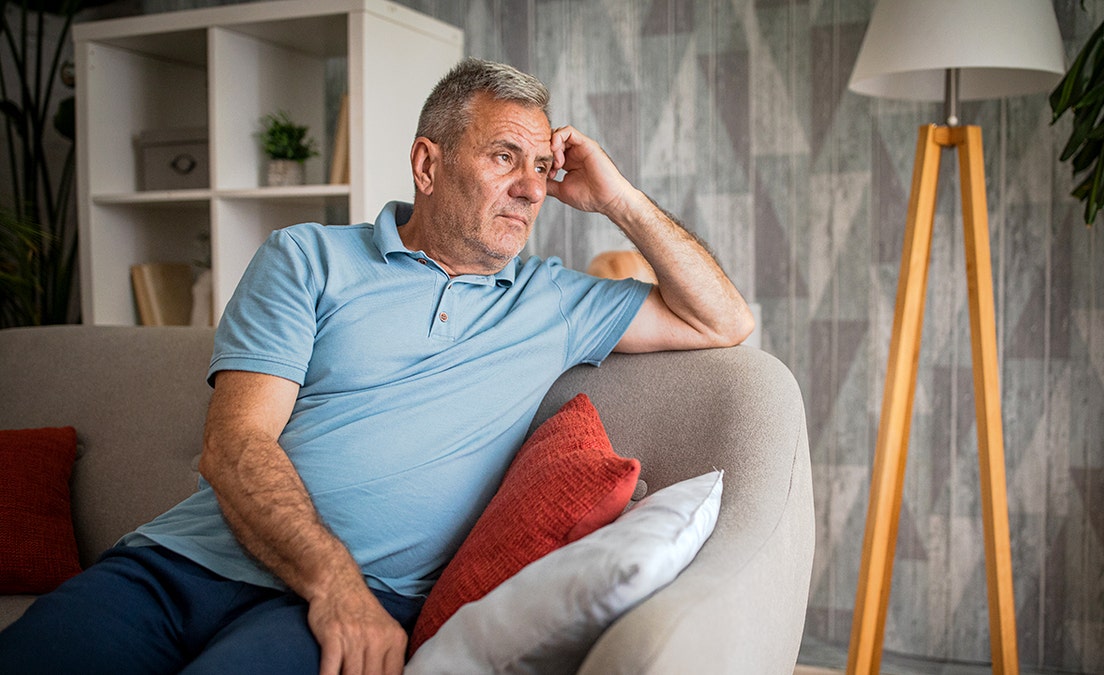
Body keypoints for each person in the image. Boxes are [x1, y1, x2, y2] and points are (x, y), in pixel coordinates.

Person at [0, 58, 753, 675]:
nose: (532, 188)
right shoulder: (308, 258)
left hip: (362, 599)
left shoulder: (554, 300)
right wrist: (334, 583)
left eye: (543, 167)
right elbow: (234, 445)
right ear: (428, 163)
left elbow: (725, 319)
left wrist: (617, 197)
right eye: (503, 157)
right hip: (182, 564)